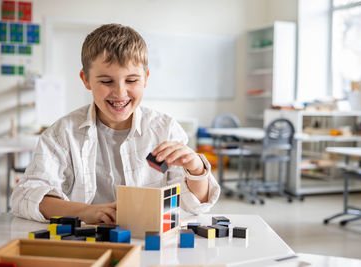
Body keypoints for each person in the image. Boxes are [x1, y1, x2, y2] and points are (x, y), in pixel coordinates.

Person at [11, 24, 220, 224]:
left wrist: (196, 169)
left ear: (145, 78)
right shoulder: (62, 133)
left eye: (131, 81)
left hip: (148, 245)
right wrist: (88, 212)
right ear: (86, 79)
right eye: (106, 81)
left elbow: (194, 206)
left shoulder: (165, 129)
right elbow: (25, 197)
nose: (120, 93)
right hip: (86, 246)